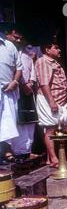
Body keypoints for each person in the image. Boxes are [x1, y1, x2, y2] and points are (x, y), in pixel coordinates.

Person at [35, 40, 67, 167]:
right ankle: (54, 159)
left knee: (58, 128)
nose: (59, 50)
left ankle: (51, 159)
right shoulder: (43, 61)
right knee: (50, 128)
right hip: (48, 99)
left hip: (58, 101)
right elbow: (44, 83)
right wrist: (51, 102)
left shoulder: (55, 63)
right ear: (47, 50)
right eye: (56, 48)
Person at [5, 28, 38, 162]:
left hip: (29, 92)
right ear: (7, 35)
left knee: (30, 122)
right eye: (15, 37)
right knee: (18, 122)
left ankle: (27, 150)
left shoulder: (27, 54)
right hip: (16, 90)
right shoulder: (7, 52)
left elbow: (33, 70)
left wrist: (31, 82)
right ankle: (17, 152)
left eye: (20, 38)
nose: (18, 40)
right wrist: (22, 85)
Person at [0, 30, 23, 165]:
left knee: (8, 124)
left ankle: (7, 153)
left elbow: (18, 68)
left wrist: (15, 82)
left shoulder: (9, 46)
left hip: (8, 91)